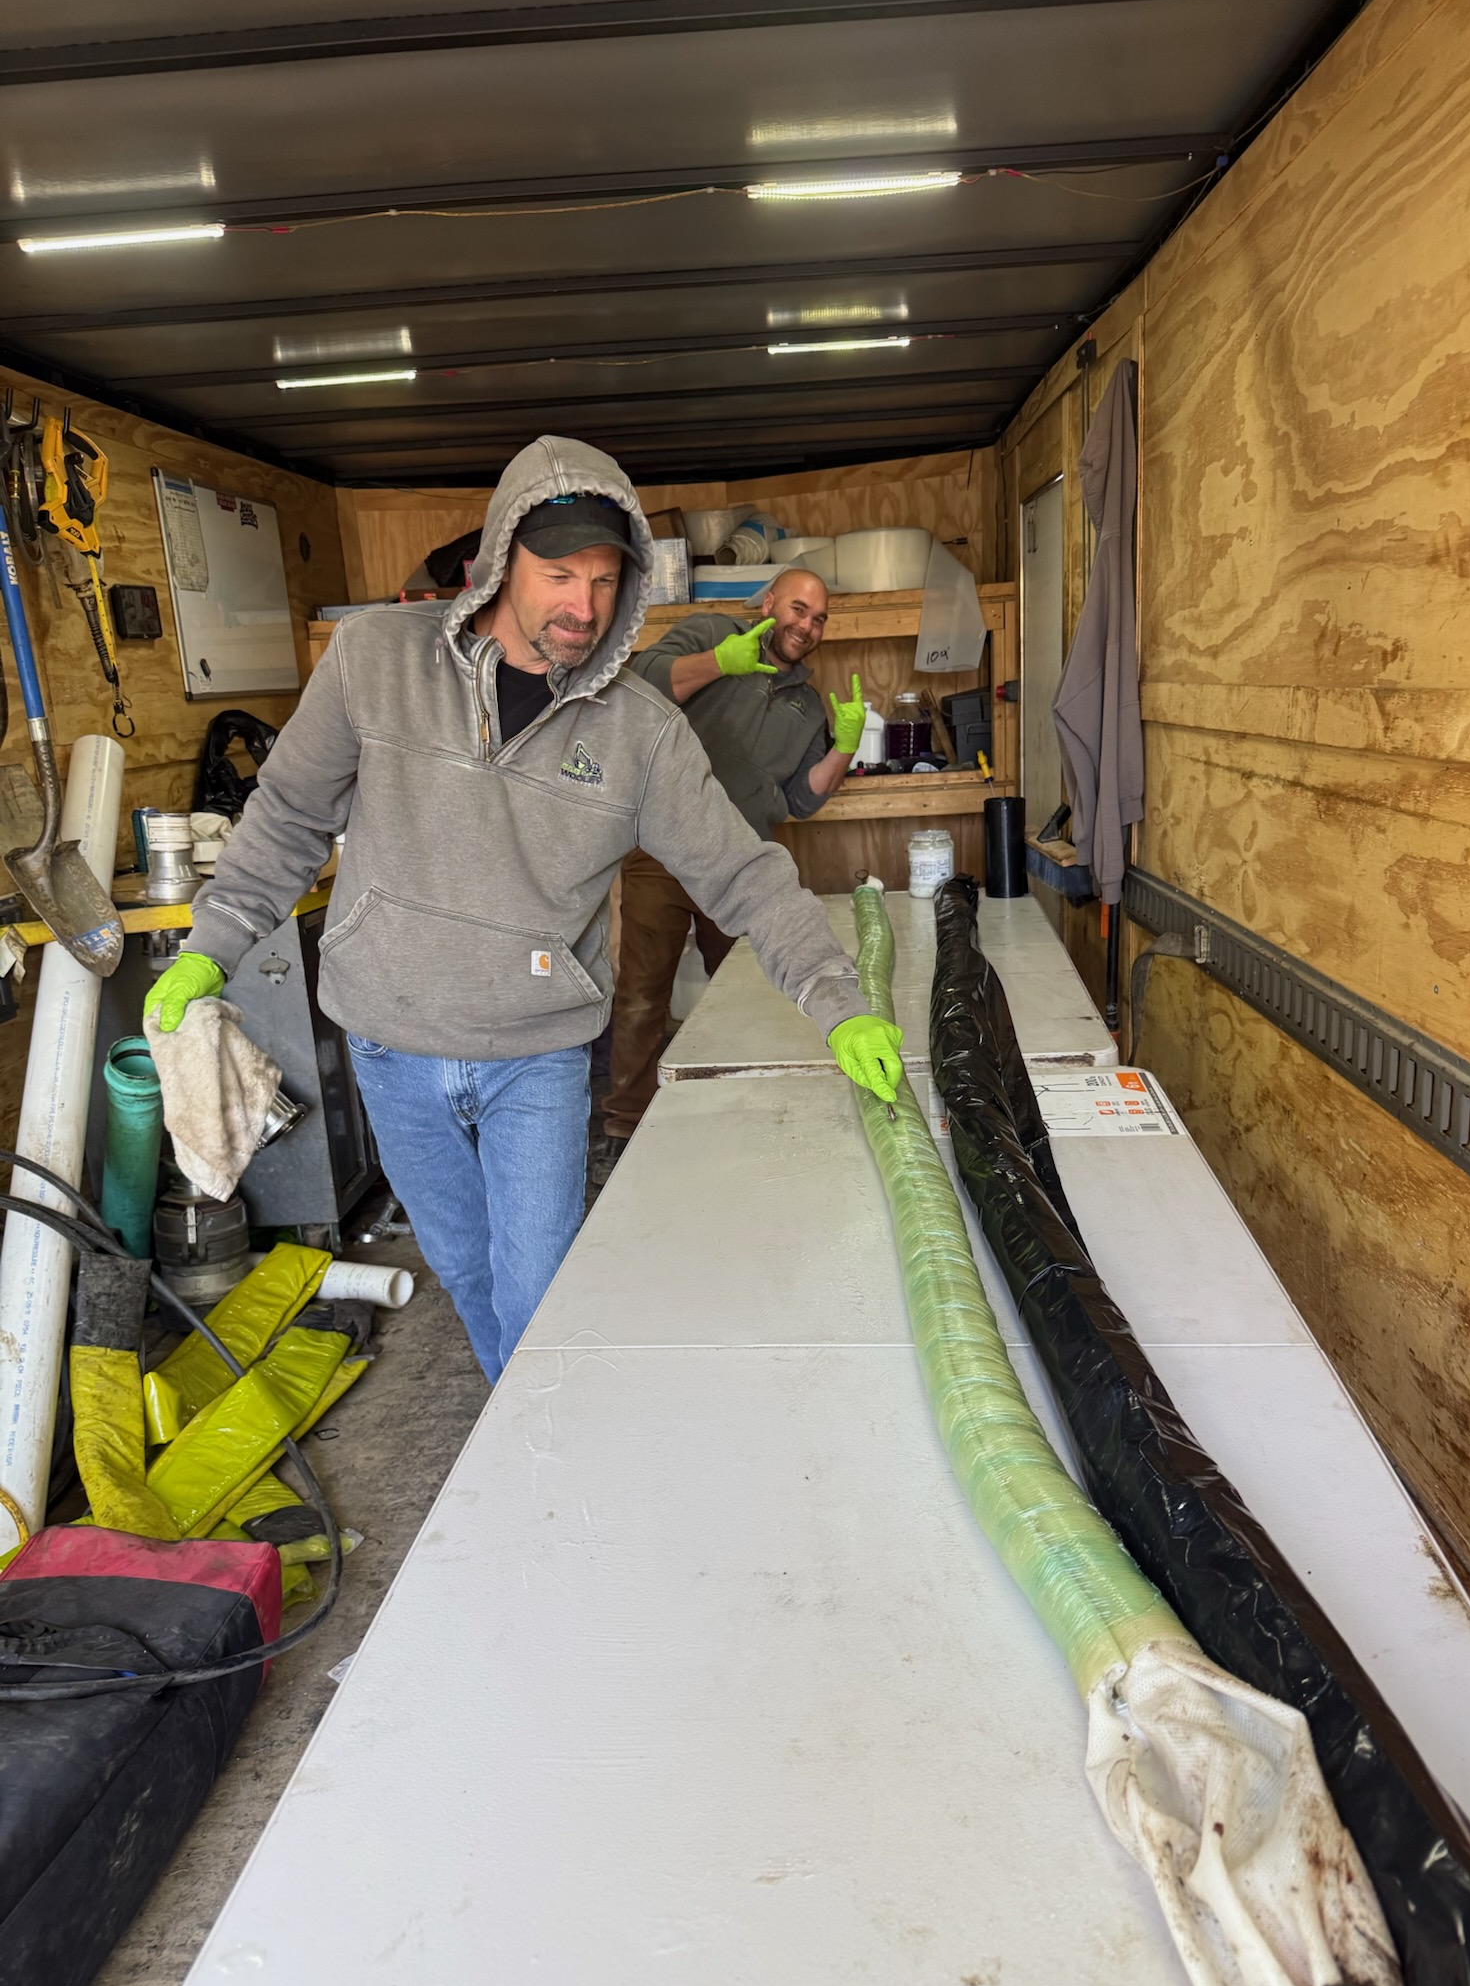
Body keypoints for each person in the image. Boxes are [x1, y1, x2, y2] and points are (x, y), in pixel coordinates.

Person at [145, 439, 903, 1383]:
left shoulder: (641, 734)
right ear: (502, 562)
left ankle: (538, 1440)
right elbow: (290, 814)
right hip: (391, 1042)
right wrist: (211, 943)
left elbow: (744, 874)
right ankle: (532, 1441)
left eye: (602, 578)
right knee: (465, 1269)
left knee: (538, 1290)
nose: (581, 605)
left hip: (536, 1055)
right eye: (557, 574)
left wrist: (838, 998)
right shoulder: (372, 661)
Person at [600, 568, 867, 1150]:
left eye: (818, 618)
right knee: (644, 992)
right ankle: (626, 1131)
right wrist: (721, 662)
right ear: (769, 601)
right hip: (662, 846)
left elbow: (801, 798)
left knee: (747, 991)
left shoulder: (809, 705)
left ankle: (743, 1114)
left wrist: (844, 747)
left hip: (741, 862)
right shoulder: (709, 634)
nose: (806, 625)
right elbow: (640, 684)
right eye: (798, 609)